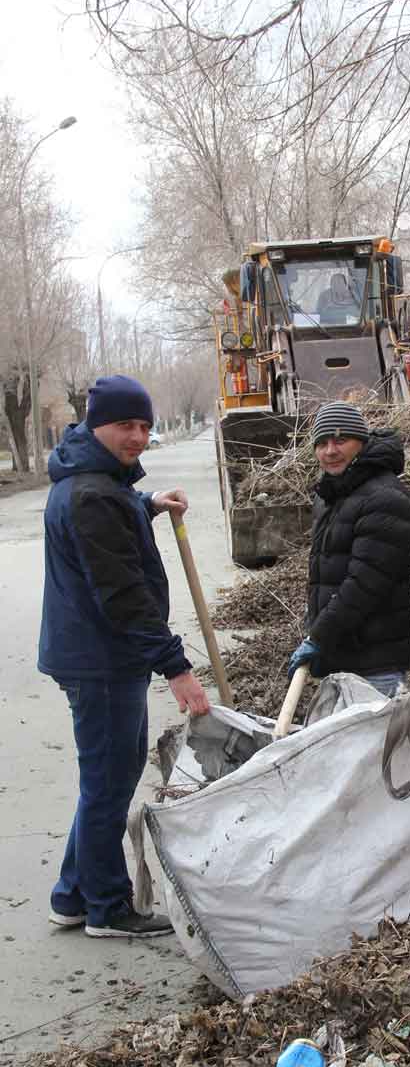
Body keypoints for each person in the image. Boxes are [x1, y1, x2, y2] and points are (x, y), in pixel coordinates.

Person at [38, 375, 210, 938]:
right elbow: (125, 597)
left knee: (104, 780)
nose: (137, 436)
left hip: (93, 654)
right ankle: (107, 908)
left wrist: (148, 504)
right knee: (109, 782)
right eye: (124, 426)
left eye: (143, 426)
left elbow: (112, 507)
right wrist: (176, 665)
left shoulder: (93, 480)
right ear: (96, 426)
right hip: (102, 658)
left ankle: (73, 895)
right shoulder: (92, 495)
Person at [288, 401, 410, 696]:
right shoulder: (332, 494)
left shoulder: (385, 499)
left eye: (340, 440)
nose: (330, 451)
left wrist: (319, 637)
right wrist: (317, 633)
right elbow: (325, 575)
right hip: (341, 654)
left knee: (376, 742)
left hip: (375, 664)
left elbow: (364, 585)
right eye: (321, 443)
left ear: (361, 442)